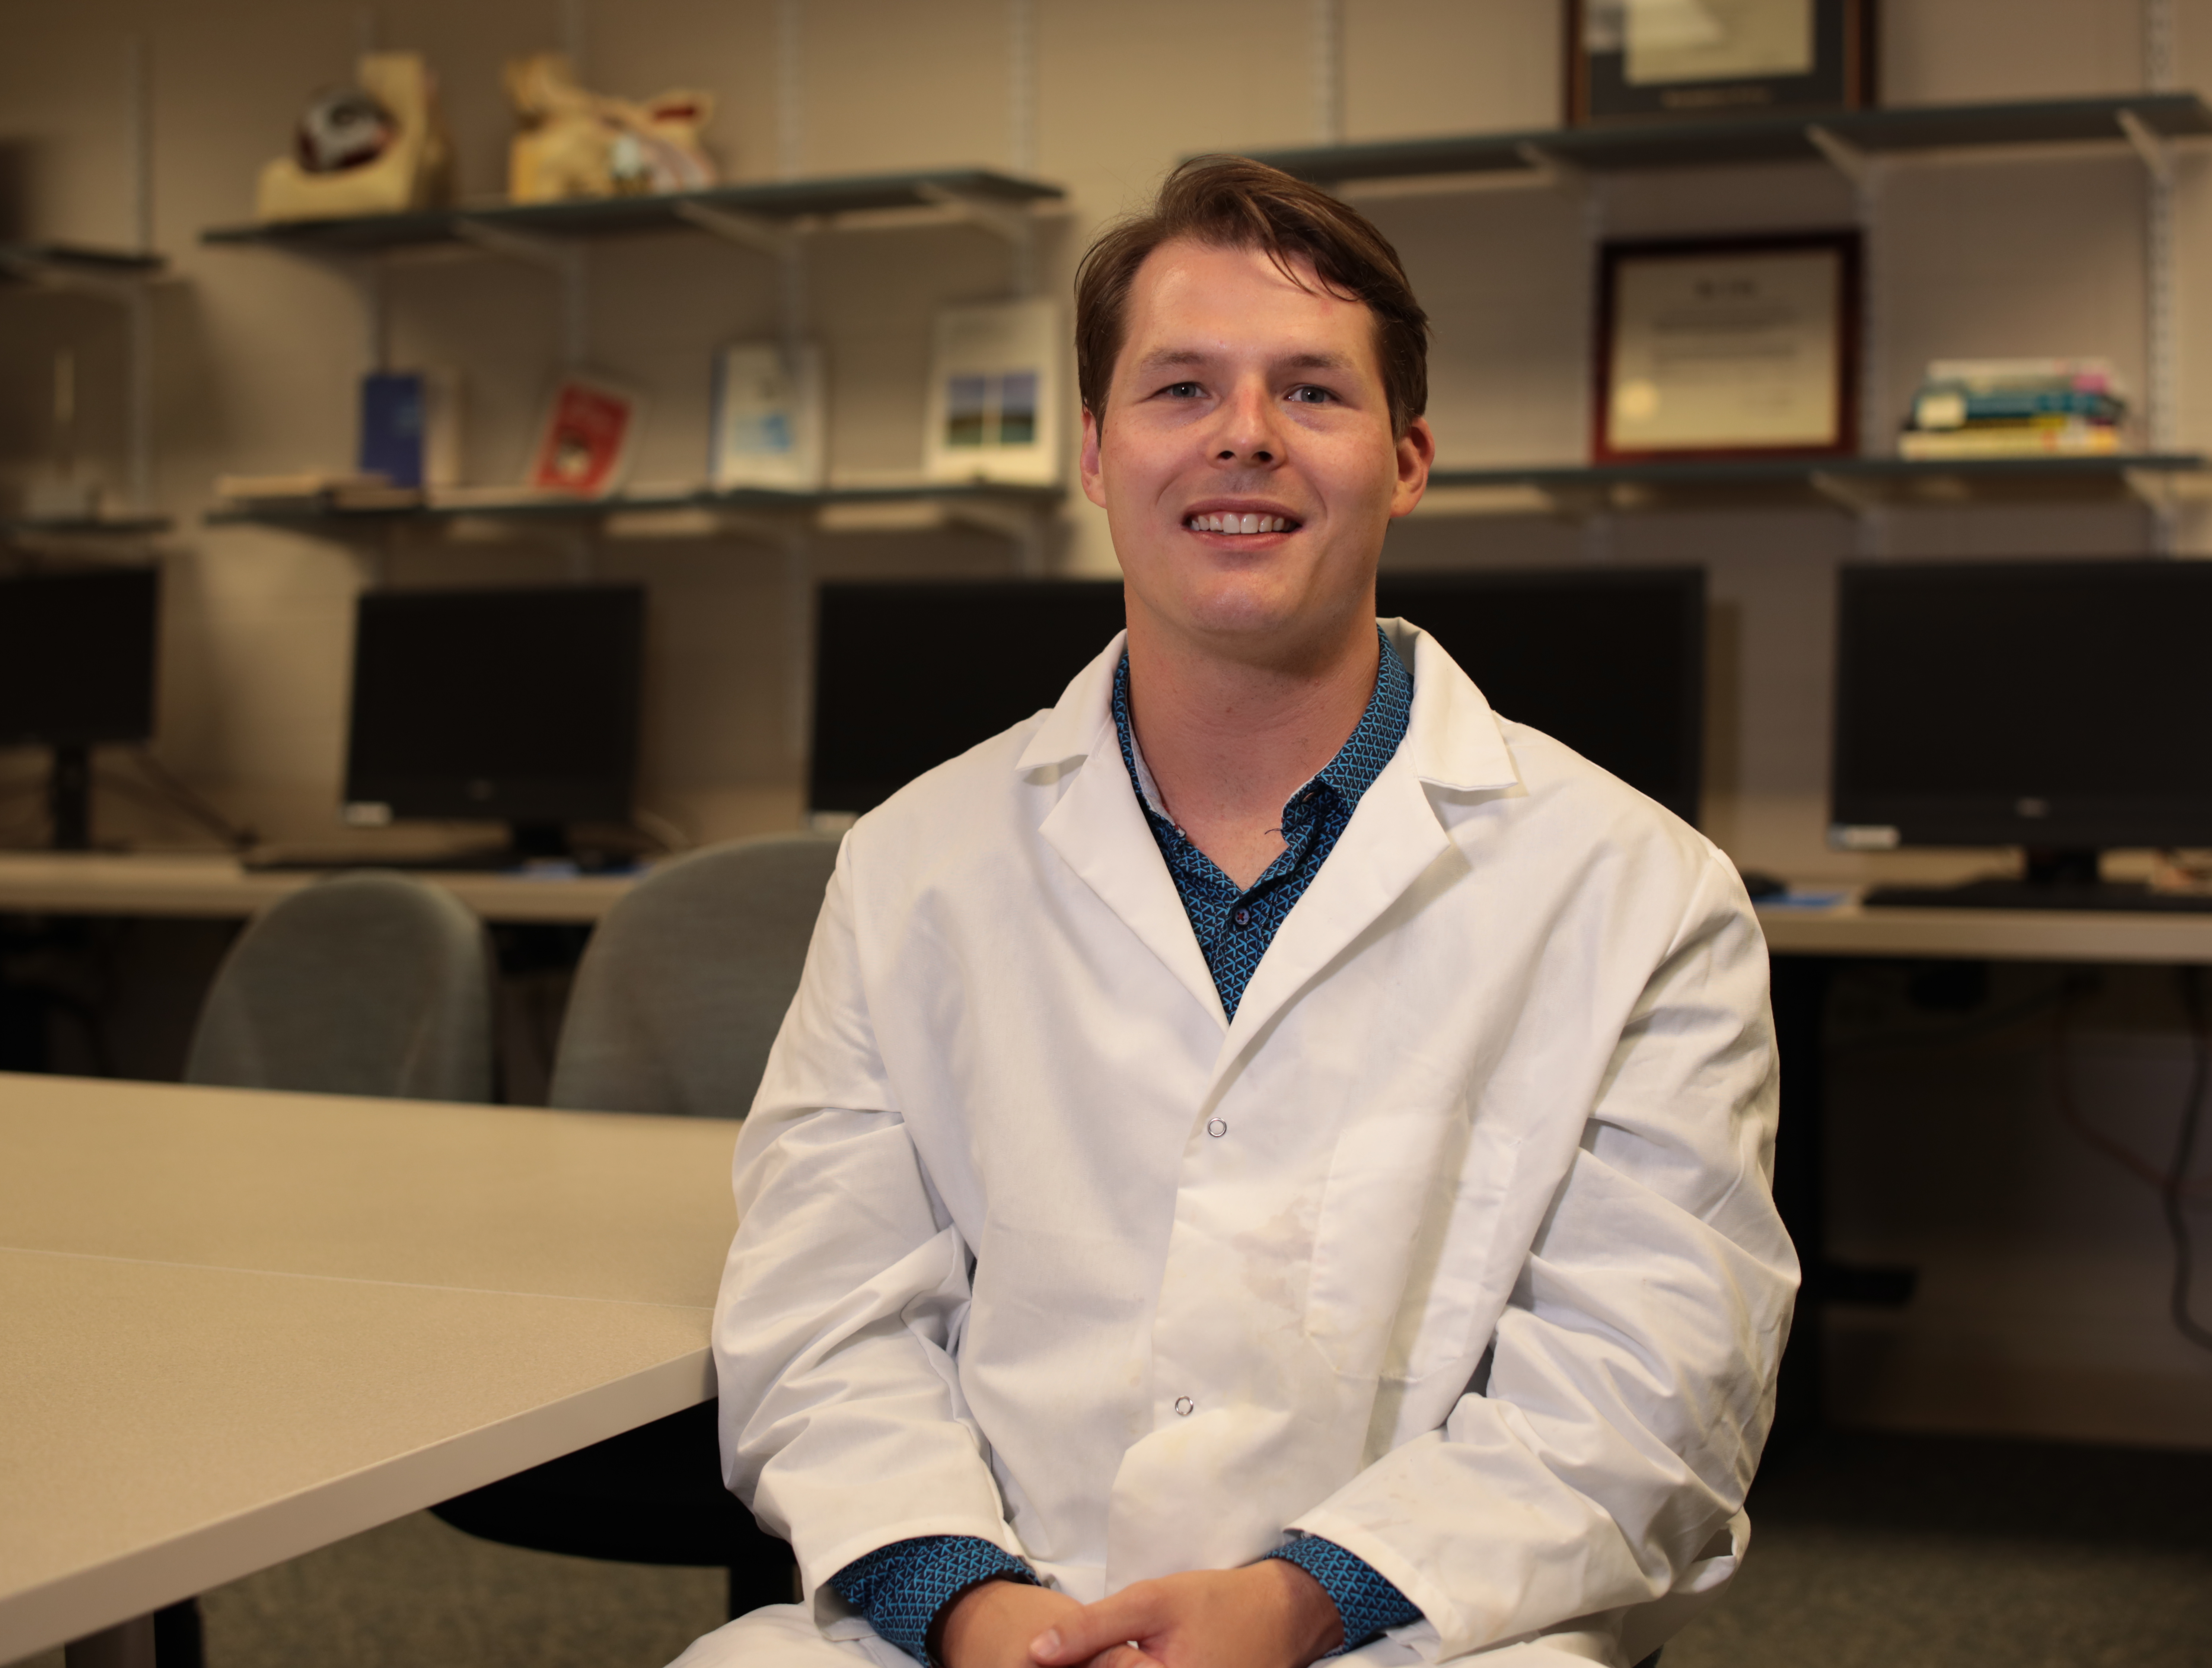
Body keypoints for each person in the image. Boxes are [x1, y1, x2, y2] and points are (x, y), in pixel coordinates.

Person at [676, 156, 1797, 1668]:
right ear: (1096, 452)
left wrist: (1295, 1601)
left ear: (1408, 460)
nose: (1245, 434)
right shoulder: (912, 863)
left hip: (1419, 1627)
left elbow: (1650, 1390)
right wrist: (975, 1606)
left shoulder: (1642, 892)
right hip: (999, 1613)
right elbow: (823, 1315)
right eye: (1182, 387)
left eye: (1313, 392)